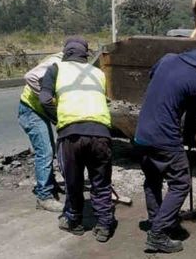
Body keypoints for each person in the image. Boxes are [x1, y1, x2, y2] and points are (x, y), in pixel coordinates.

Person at [134, 44, 196, 253]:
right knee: (180, 184)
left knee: (152, 180)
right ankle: (157, 235)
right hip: (164, 138)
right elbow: (191, 122)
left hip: (141, 133)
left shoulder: (167, 59)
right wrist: (187, 143)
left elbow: (154, 79)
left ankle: (158, 221)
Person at [39, 38, 115, 243]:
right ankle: (104, 226)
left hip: (71, 135)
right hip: (101, 133)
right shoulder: (98, 73)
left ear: (66, 52)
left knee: (73, 181)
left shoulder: (56, 68)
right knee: (101, 181)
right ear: (85, 54)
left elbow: (44, 99)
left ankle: (74, 221)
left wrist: (60, 119)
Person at [18, 52, 64, 212]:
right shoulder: (56, 62)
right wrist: (44, 97)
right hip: (31, 110)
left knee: (49, 149)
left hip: (39, 111)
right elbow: (30, 77)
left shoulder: (67, 64)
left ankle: (50, 185)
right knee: (45, 152)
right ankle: (44, 197)